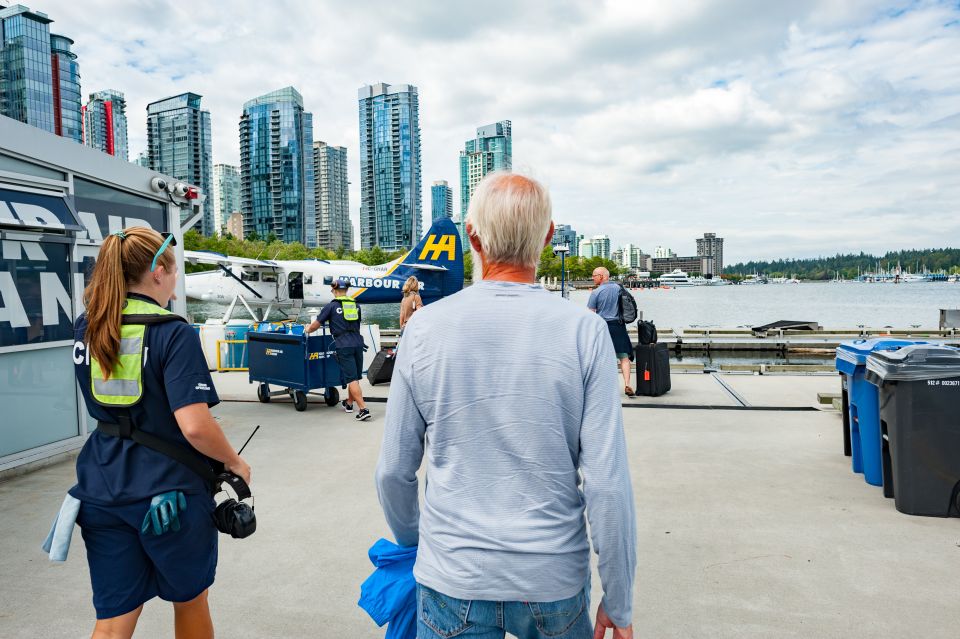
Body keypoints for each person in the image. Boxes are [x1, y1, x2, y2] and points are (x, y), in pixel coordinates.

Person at [375, 172, 636, 639]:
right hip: (553, 578)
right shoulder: (585, 332)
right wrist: (618, 600)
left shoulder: (424, 329)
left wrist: (422, 547)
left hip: (452, 577)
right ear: (549, 235)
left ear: (471, 237)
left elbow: (393, 471)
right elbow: (607, 484)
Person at [70, 227, 251, 639]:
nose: (175, 283)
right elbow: (194, 426)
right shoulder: (173, 333)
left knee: (115, 617)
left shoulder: (87, 326)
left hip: (101, 486)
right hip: (168, 498)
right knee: (190, 599)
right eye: (174, 273)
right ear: (157, 272)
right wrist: (234, 462)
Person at [306, 277, 371, 421]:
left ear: (334, 290)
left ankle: (363, 409)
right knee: (354, 377)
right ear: (346, 291)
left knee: (352, 378)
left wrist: (308, 330)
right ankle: (349, 404)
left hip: (343, 344)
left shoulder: (331, 306)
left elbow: (316, 324)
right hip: (358, 343)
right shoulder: (356, 305)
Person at [588, 267, 635, 397]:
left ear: (602, 276)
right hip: (618, 326)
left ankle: (607, 388)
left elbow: (591, 315)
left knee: (604, 359)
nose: (593, 278)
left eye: (594, 275)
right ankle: (627, 384)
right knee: (624, 358)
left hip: (603, 327)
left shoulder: (596, 293)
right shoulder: (619, 288)